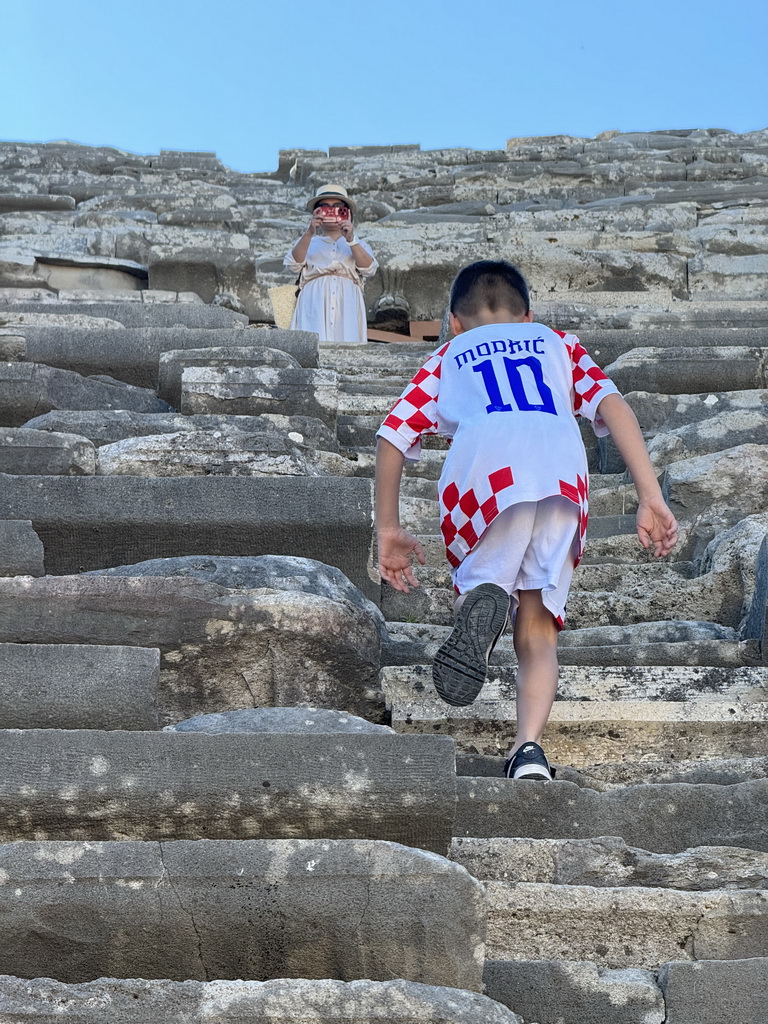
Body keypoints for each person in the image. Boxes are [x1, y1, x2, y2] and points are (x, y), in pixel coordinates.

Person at [374, 260, 678, 782]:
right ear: (529, 315)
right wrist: (649, 494)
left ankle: (483, 596)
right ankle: (529, 751)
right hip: (562, 480)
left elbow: (393, 434)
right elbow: (613, 404)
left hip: (488, 479)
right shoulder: (558, 342)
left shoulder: (448, 355)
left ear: (454, 322)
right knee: (538, 627)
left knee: (485, 579)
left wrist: (388, 528)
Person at [284, 184, 378, 343]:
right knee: (314, 340)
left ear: (347, 212)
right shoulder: (310, 241)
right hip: (315, 298)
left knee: (347, 339)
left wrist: (351, 240)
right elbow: (293, 265)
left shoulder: (358, 243)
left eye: (338, 207)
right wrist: (310, 231)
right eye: (325, 207)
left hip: (346, 297)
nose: (331, 210)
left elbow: (369, 269)